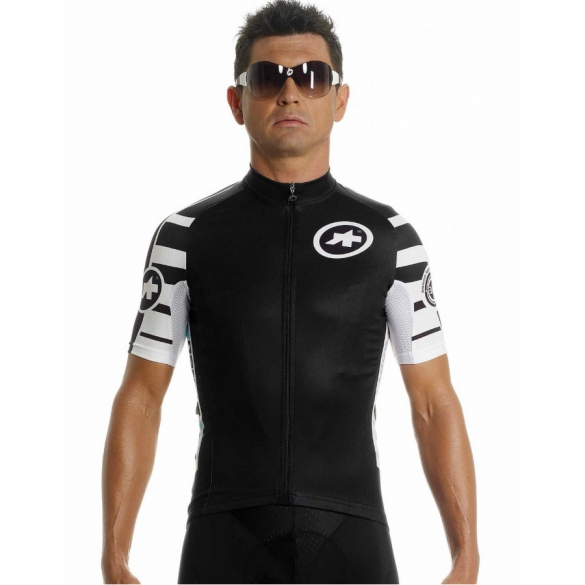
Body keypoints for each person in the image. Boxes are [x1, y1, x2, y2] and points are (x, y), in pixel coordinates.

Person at [101, 1, 480, 583]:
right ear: (238, 102)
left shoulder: (391, 238)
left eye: (311, 76)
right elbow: (142, 397)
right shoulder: (186, 237)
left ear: (340, 99)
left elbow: (433, 402)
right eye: (267, 78)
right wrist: (115, 556)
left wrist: (466, 556)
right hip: (225, 532)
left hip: (351, 533)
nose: (290, 93)